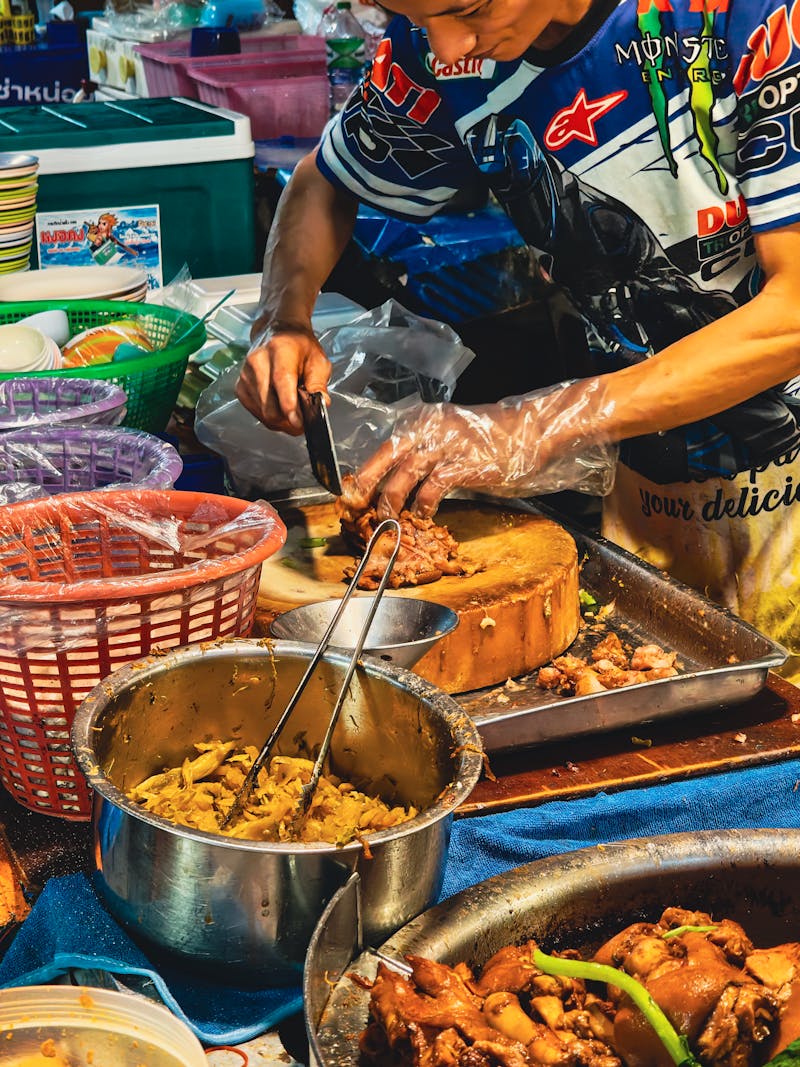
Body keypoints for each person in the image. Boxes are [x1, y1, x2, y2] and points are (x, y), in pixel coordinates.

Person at [236, 0, 800, 678]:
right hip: (655, 496)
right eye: (411, 17)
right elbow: (323, 183)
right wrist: (284, 317)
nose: (445, 49)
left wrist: (533, 424)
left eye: (467, 9)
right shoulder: (440, 55)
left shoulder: (749, 17)